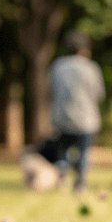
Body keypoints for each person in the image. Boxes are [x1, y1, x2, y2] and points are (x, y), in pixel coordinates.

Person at [39, 31, 104, 194]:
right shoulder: (91, 68)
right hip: (86, 121)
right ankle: (80, 185)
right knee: (83, 153)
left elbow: (49, 91)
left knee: (62, 151)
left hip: (62, 119)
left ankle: (61, 176)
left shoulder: (58, 66)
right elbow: (99, 94)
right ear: (85, 49)